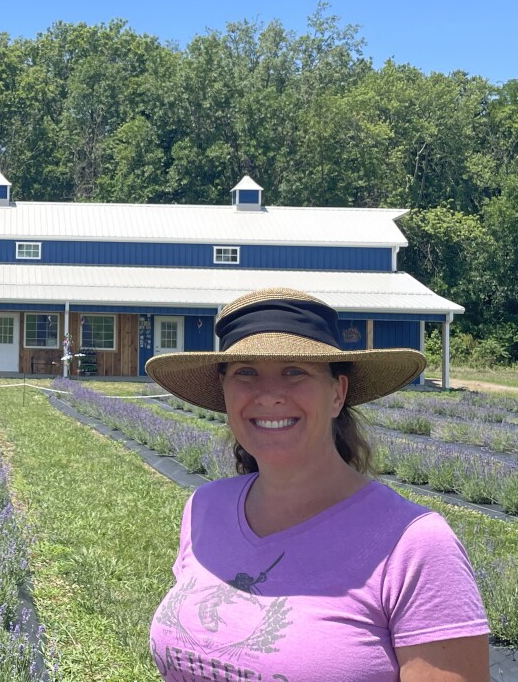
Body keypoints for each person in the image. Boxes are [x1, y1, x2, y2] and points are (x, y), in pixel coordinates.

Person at [145, 288, 489, 682]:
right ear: (225, 391)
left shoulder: (414, 545)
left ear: (337, 393)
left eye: (295, 372)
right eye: (245, 372)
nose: (270, 395)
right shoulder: (205, 508)